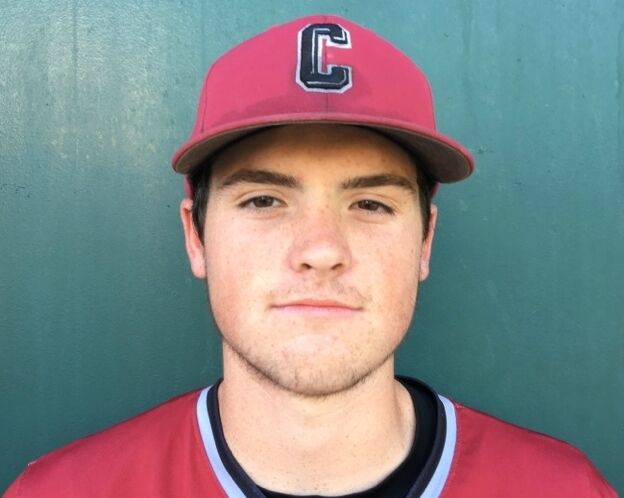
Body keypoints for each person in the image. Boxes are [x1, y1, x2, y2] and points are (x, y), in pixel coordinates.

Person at [3, 14, 617, 498]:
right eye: (264, 200)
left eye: (371, 204)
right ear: (197, 237)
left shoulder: (562, 490)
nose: (321, 250)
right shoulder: (64, 492)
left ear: (425, 242)